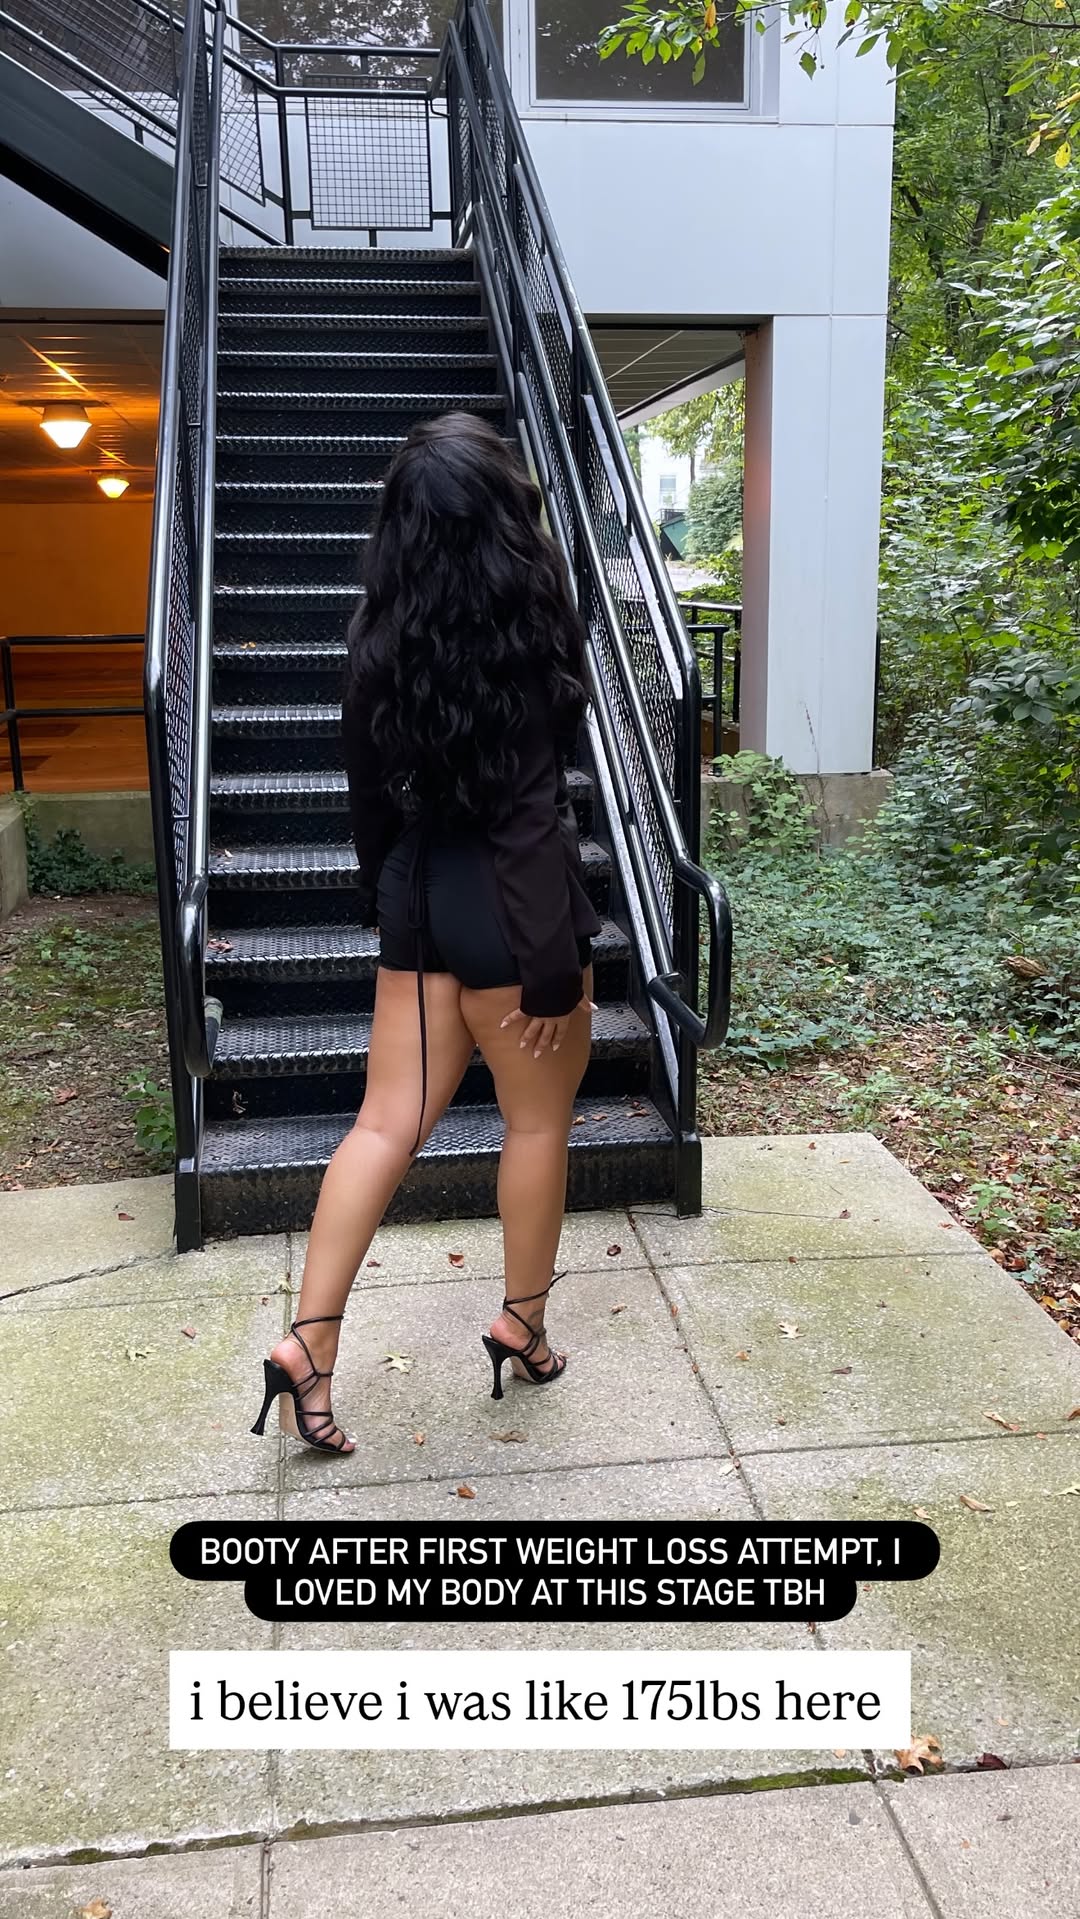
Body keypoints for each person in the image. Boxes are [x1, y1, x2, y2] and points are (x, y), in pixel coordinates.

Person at [252, 411, 601, 1454]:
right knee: (534, 1127)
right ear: (502, 513)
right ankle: (522, 1326)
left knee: (382, 1126)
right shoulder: (532, 625)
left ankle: (309, 1343)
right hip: (512, 910)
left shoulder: (377, 633)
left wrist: (386, 895)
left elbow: (369, 797)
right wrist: (550, 969)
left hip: (418, 895)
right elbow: (529, 813)